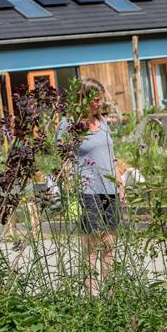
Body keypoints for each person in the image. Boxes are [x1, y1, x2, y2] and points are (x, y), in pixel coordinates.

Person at [59, 78, 125, 296]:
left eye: (100, 100)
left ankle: (110, 292)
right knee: (92, 245)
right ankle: (92, 296)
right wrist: (69, 181)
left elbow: (111, 156)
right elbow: (62, 157)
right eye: (94, 100)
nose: (99, 104)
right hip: (87, 189)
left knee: (110, 243)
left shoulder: (103, 122)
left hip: (110, 188)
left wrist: (120, 182)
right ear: (82, 99)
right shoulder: (69, 124)